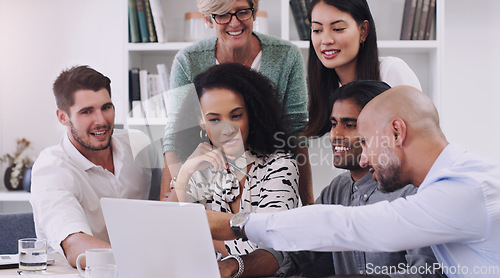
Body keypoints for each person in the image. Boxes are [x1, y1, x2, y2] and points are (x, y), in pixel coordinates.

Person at [208, 85, 500, 278]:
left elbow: (347, 226)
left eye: (366, 141)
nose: (362, 159)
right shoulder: (458, 179)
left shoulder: (466, 190)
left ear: (396, 133)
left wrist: (233, 224)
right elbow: (308, 247)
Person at [161, 0, 313, 206]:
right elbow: (175, 135)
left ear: (254, 12)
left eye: (242, 12)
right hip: (211, 177)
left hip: (268, 180)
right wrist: (171, 196)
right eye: (222, 14)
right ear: (207, 19)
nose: (234, 23)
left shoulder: (286, 56)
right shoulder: (187, 61)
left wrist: (309, 205)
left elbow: (297, 134)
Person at [30, 66, 160, 268]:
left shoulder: (137, 143)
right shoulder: (51, 168)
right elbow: (75, 247)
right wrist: (147, 262)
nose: (101, 121)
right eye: (87, 111)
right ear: (63, 117)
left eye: (106, 107)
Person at [167, 63, 300, 257]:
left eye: (236, 116)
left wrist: (194, 232)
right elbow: (163, 229)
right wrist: (186, 171)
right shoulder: (200, 169)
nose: (227, 129)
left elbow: (262, 249)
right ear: (201, 121)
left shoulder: (280, 167)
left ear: (252, 114)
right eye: (214, 120)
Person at [304, 0, 422, 137]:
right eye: (317, 30)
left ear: (363, 31)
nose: (325, 40)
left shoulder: (391, 71)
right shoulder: (319, 88)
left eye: (338, 29)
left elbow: (421, 142)